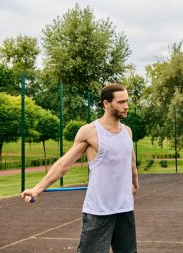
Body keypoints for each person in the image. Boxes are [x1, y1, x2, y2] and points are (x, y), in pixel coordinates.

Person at [21, 83, 139, 253]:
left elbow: (131, 163)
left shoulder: (127, 132)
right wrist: (38, 189)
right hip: (98, 212)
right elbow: (64, 164)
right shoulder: (90, 132)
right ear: (106, 104)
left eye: (127, 101)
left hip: (125, 210)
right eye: (121, 102)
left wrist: (135, 184)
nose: (126, 106)